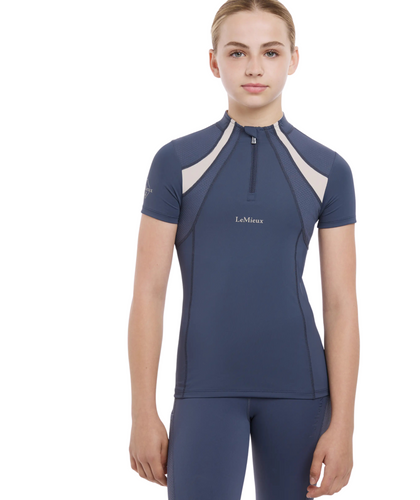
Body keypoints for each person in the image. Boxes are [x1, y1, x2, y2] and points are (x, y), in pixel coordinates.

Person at [128, 1, 360, 498]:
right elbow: (148, 292)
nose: (255, 67)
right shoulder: (176, 162)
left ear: (293, 59)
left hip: (300, 389)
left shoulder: (328, 169)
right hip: (204, 390)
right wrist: (142, 412)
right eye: (238, 52)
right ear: (214, 62)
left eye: (270, 52)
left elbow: (341, 304)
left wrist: (344, 425)